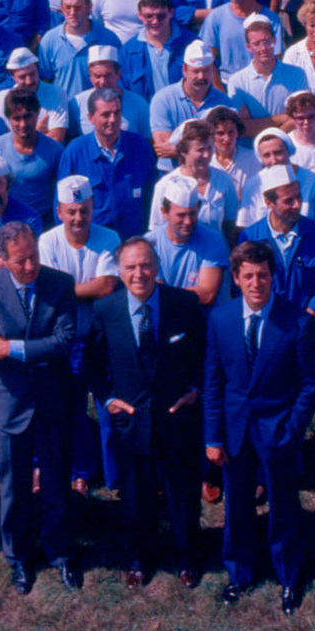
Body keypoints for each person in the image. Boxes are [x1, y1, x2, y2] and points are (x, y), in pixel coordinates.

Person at [203, 237, 315, 613]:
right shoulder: (221, 319)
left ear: (273, 276)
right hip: (235, 430)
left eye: (263, 275)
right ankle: (240, 572)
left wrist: (292, 429)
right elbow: (213, 381)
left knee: (283, 505)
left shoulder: (297, 323)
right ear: (237, 279)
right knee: (237, 505)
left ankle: (289, 576)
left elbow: (311, 383)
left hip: (279, 430)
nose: (256, 283)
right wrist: (213, 435)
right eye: (248, 277)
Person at [87, 234, 206, 587]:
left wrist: (196, 390)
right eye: (130, 267)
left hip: (176, 416)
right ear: (120, 272)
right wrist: (108, 399)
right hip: (131, 421)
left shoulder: (184, 304)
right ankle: (139, 557)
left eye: (145, 265)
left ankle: (186, 557)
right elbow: (92, 364)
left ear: (156, 267)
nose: (138, 273)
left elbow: (204, 354)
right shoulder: (105, 310)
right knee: (136, 494)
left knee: (181, 491)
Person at [0, 219, 80, 594]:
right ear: (2, 260)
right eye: (20, 261)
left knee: (55, 480)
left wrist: (11, 347)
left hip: (52, 399)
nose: (30, 267)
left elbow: (64, 341)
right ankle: (18, 557)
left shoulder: (60, 283)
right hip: (9, 402)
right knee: (13, 485)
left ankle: (59, 550)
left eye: (33, 257)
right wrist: (17, 350)